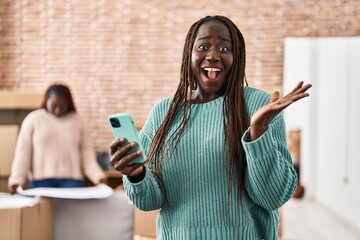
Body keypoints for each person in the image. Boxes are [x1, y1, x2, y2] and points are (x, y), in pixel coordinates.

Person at [109, 15, 312, 239]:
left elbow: (273, 197)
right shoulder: (164, 112)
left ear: (238, 57)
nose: (213, 55)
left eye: (224, 48)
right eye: (203, 46)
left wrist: (258, 131)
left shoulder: (259, 105)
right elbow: (148, 202)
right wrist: (135, 174)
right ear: (190, 54)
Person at [8, 84, 106, 194]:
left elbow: (87, 155)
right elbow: (23, 153)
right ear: (46, 101)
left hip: (72, 182)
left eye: (62, 105)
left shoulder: (79, 122)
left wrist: (99, 177)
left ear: (69, 104)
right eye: (54, 105)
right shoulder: (33, 120)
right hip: (41, 182)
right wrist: (16, 180)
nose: (58, 110)